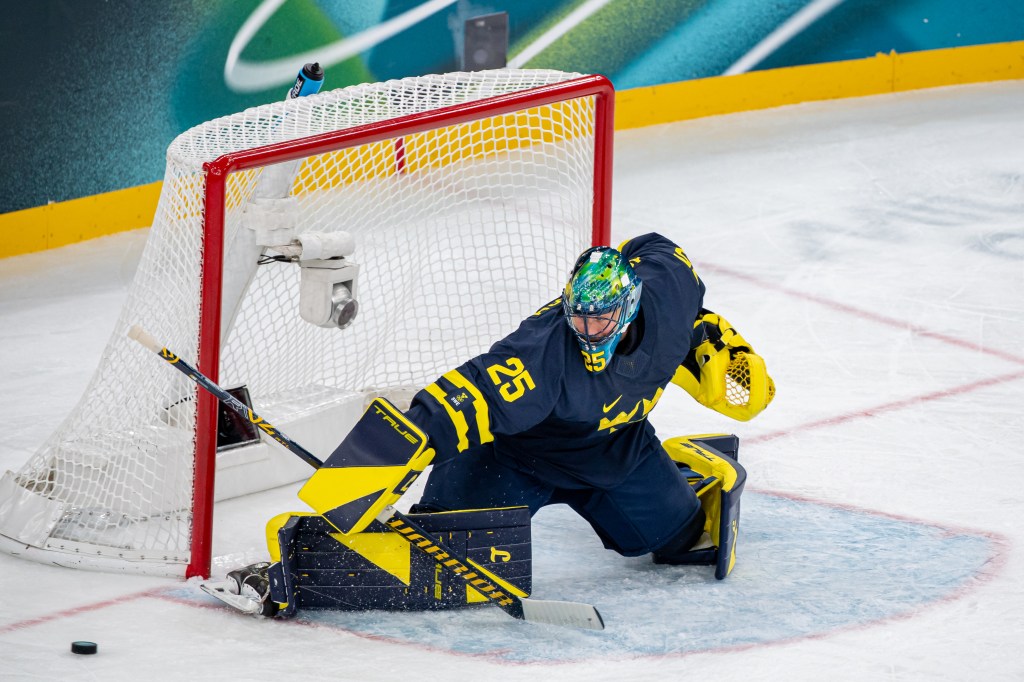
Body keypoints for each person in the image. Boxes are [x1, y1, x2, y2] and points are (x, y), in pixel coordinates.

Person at [403, 232, 774, 565]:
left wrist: (696, 331)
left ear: (630, 304)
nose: (589, 330)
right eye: (580, 318)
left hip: (616, 449)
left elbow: (647, 247)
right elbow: (455, 404)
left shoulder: (669, 290)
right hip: (517, 455)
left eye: (602, 319)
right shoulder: (541, 351)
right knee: (442, 554)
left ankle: (679, 473)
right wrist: (380, 461)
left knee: (684, 541)